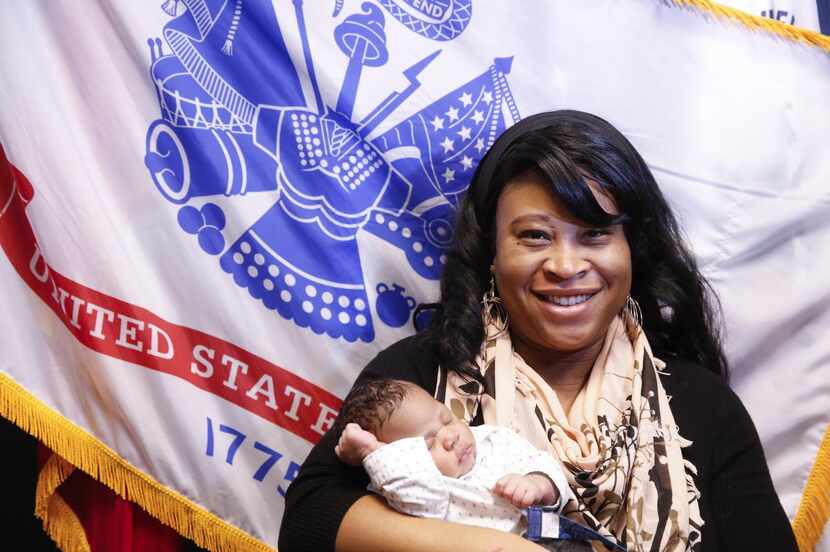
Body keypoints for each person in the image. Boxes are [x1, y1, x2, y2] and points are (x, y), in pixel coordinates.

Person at [278, 110, 797, 552]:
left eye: (595, 234)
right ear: (492, 253)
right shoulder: (419, 374)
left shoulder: (702, 404)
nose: (566, 265)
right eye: (535, 236)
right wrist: (494, 547)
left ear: (632, 249)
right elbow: (308, 522)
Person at [333, 378, 573, 536]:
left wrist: (537, 483)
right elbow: (421, 500)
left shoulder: (493, 440)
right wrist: (373, 451)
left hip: (552, 539)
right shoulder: (417, 488)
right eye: (429, 444)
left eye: (447, 419)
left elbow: (543, 463)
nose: (450, 437)